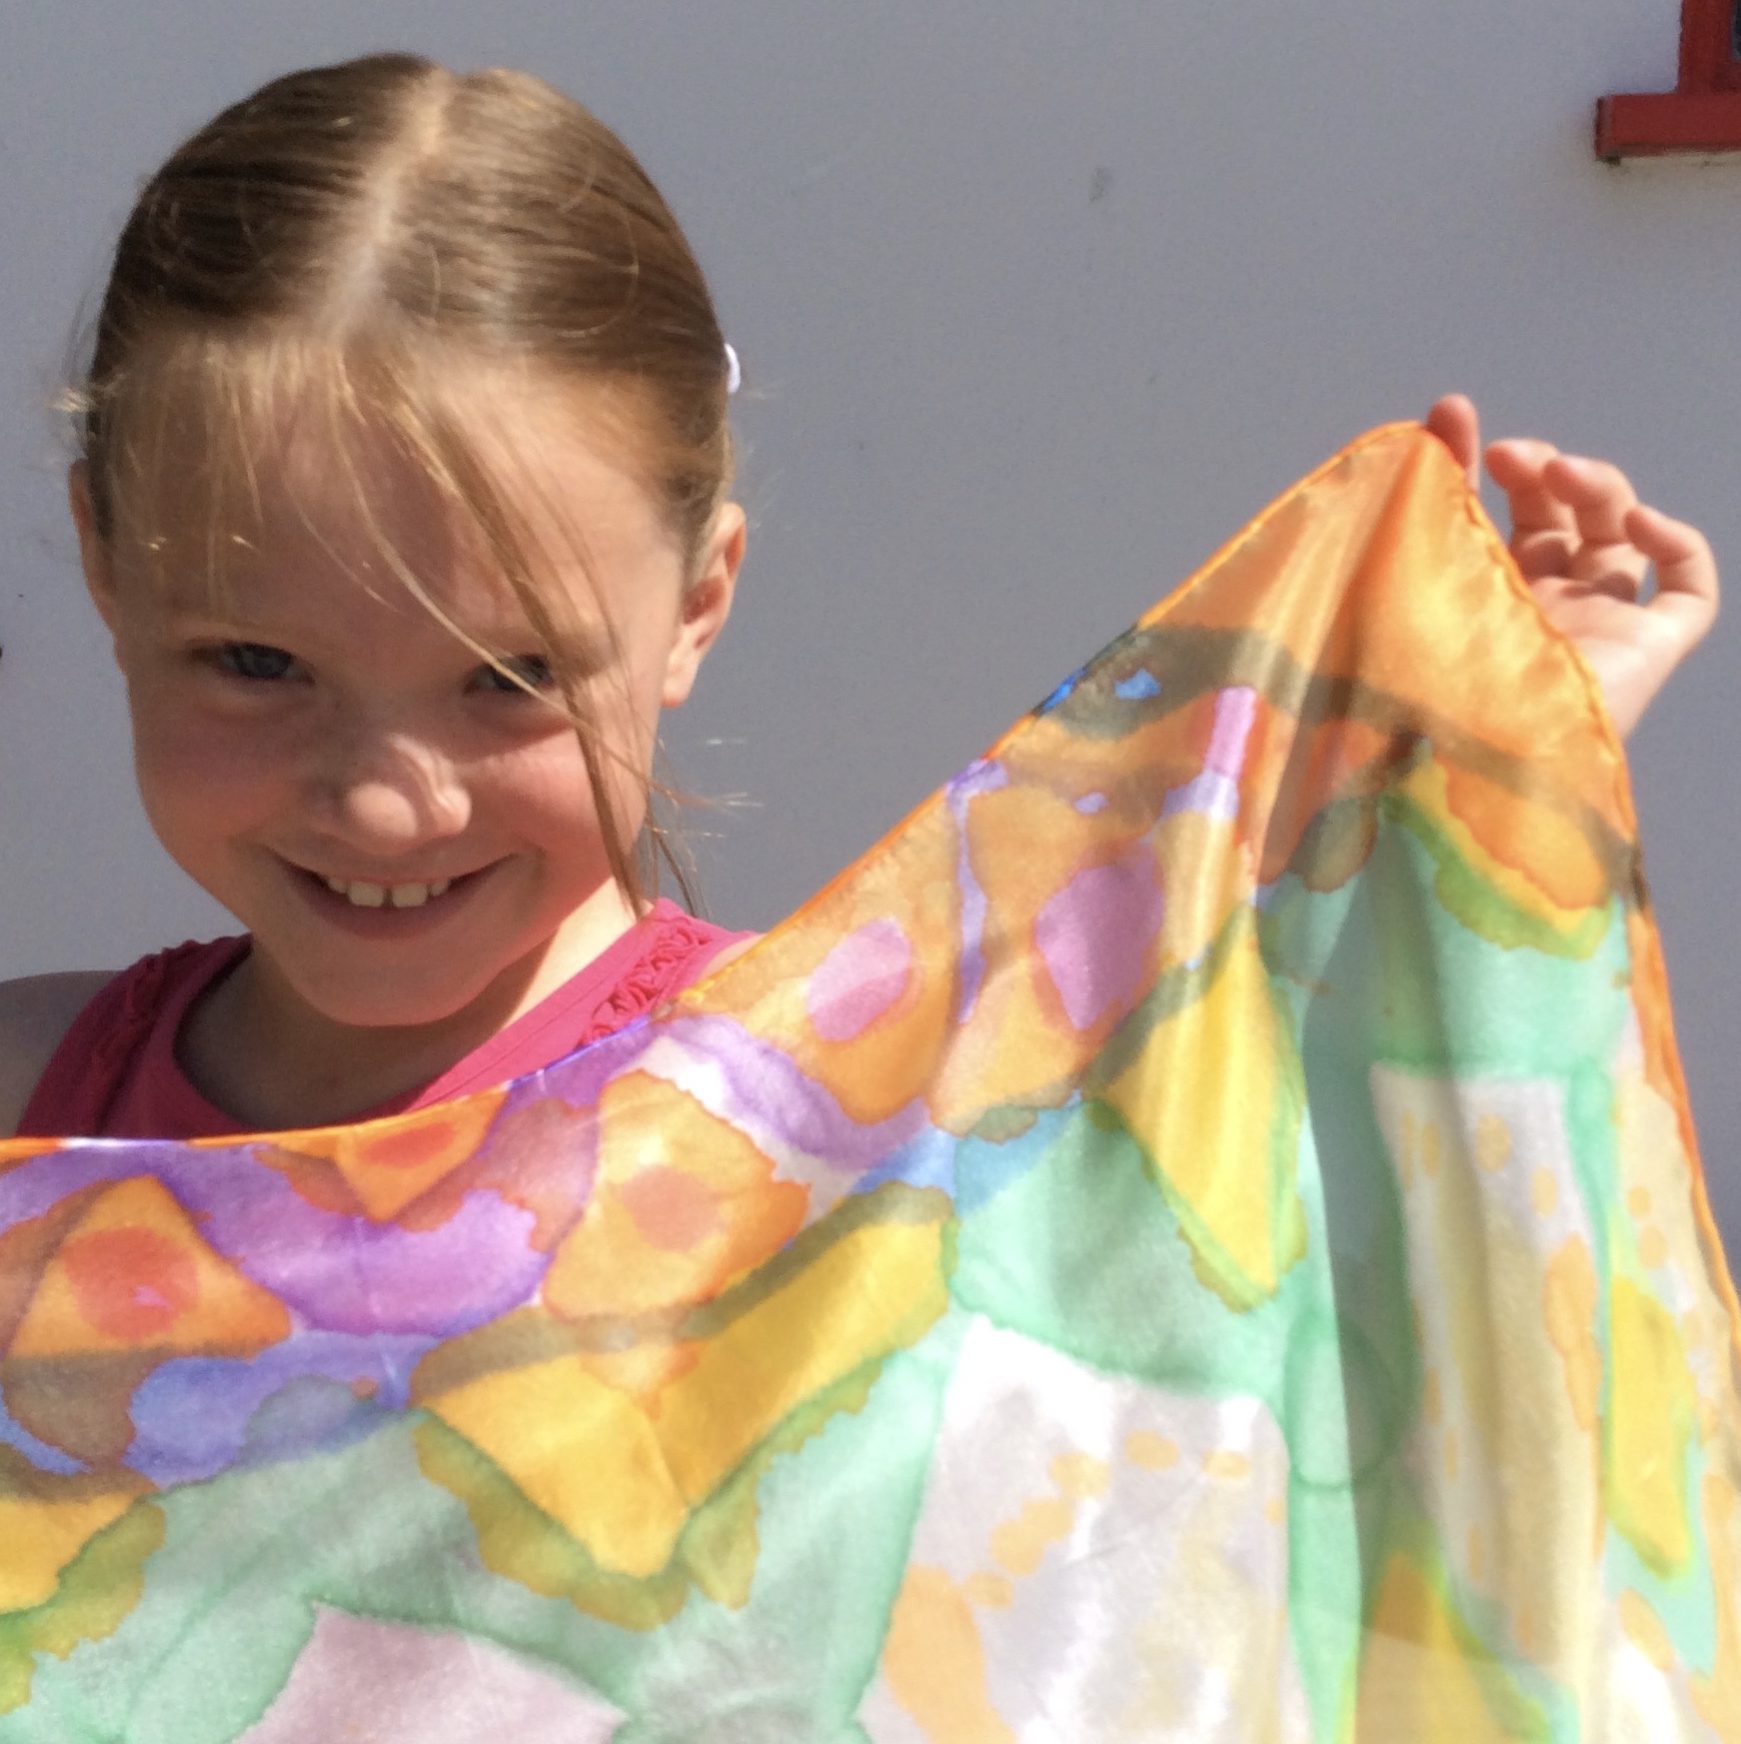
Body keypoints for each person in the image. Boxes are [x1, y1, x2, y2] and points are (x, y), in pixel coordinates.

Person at [0, 52, 1720, 1143]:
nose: (384, 797)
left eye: (506, 676)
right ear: (100, 557)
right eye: (254, 658)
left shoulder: (835, 1123)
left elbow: (1265, 1187)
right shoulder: (30, 1118)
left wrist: (1490, 776)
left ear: (696, 605)